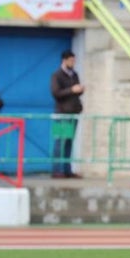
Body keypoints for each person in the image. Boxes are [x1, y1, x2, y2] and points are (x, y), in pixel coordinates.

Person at [49, 50, 84, 178]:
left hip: (73, 112)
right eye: (71, 60)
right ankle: (57, 170)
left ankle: (67, 170)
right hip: (62, 113)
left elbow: (75, 92)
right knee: (60, 141)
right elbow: (56, 93)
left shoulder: (74, 75)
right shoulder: (57, 75)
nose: (73, 63)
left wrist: (80, 90)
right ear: (64, 60)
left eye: (74, 61)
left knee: (69, 142)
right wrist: (72, 90)